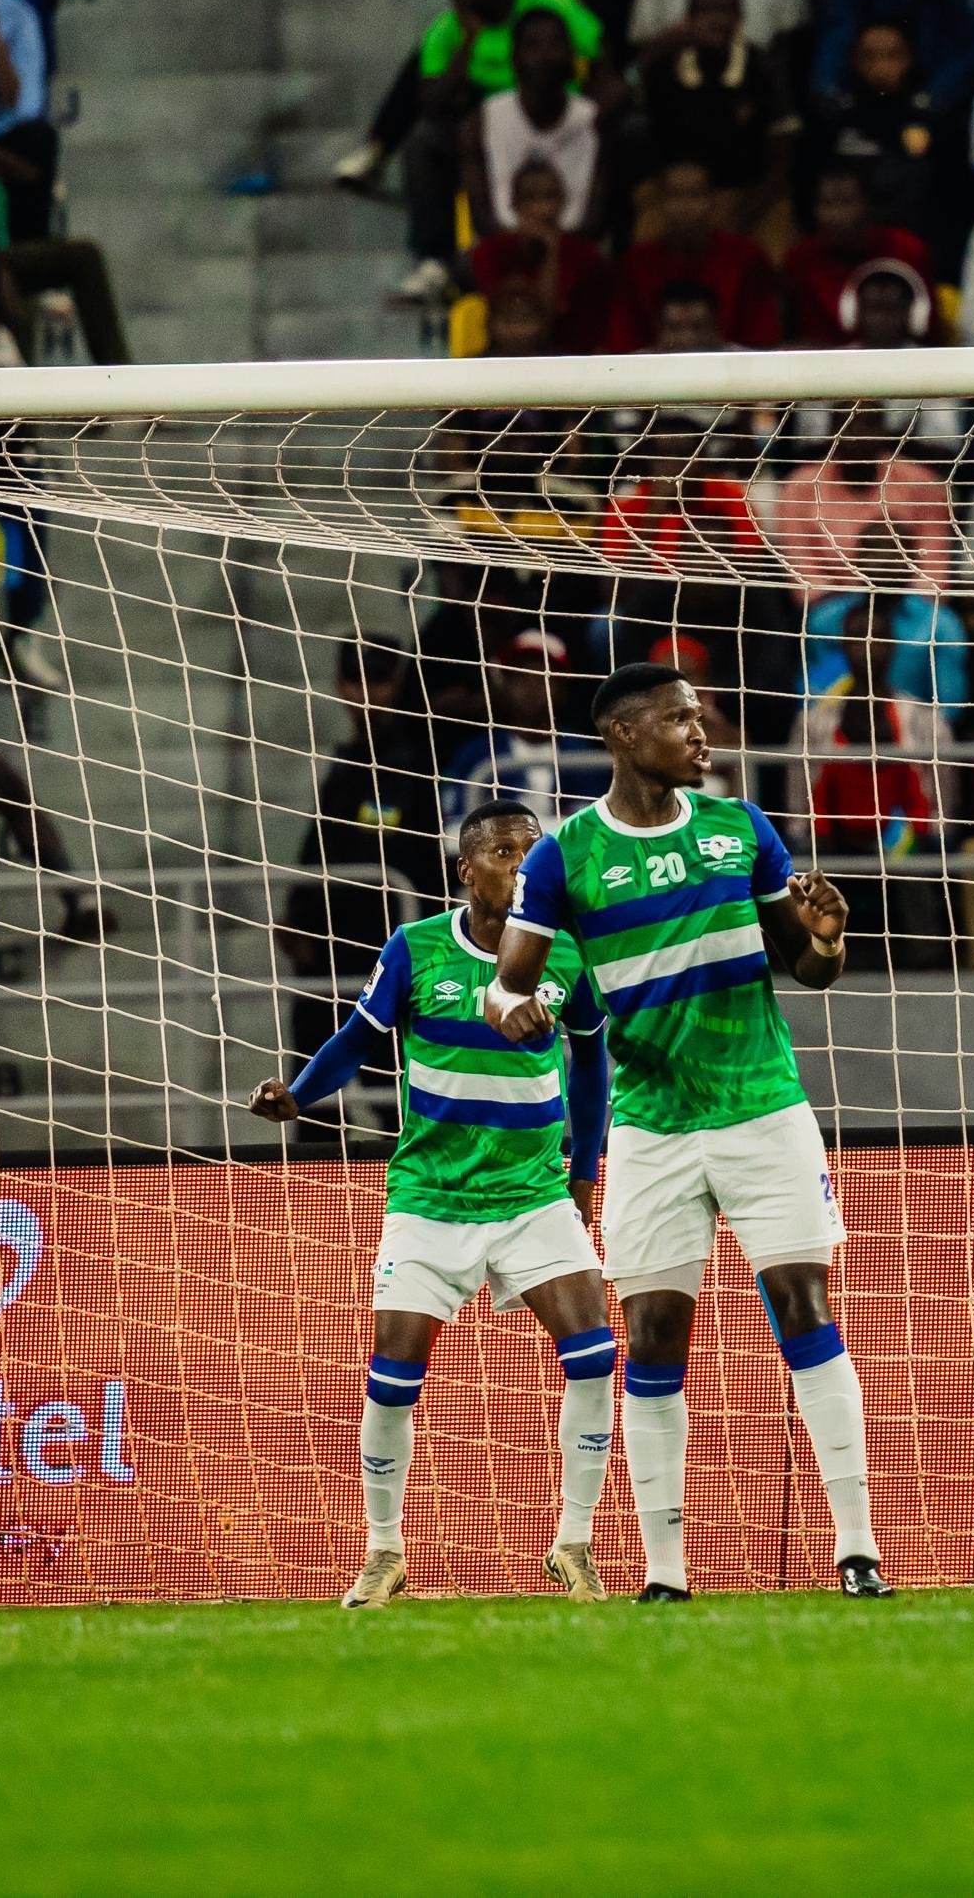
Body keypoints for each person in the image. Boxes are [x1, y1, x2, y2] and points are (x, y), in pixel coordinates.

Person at [481, 661, 880, 1600]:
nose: (703, 734)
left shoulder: (741, 829)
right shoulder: (564, 854)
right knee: (654, 1336)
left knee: (806, 1308)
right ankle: (665, 1571)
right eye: (680, 719)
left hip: (763, 1109)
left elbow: (808, 968)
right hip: (653, 1126)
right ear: (624, 734)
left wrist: (823, 938)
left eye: (701, 717)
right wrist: (514, 1010)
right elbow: (508, 980)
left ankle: (857, 1547)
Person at [249, 804, 617, 1605]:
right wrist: (299, 1096)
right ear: (466, 868)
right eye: (502, 849)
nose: (520, 861)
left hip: (531, 1191)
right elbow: (356, 1036)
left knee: (595, 1354)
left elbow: (592, 1064)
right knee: (393, 1375)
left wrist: (584, 1173)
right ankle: (385, 1550)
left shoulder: (567, 956)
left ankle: (574, 1541)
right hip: (432, 1194)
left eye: (532, 849)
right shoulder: (415, 950)